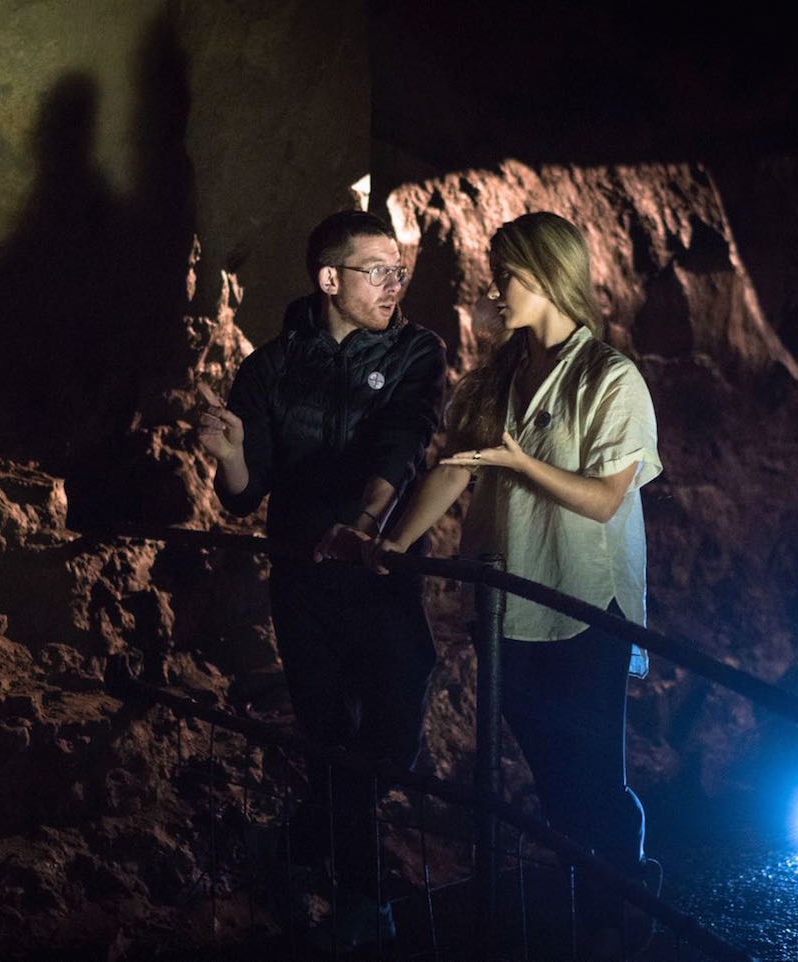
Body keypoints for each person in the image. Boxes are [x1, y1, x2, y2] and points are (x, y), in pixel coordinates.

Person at [365, 211, 661, 954]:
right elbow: (456, 467)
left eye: (511, 273)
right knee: (556, 776)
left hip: (586, 602)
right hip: (510, 603)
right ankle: (602, 909)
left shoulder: (609, 377)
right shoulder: (501, 374)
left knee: (592, 771)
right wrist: (392, 543)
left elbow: (603, 498)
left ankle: (620, 911)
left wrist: (521, 462)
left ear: (552, 276)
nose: (498, 289)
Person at [197, 209, 446, 947]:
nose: (393, 284)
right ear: (329, 278)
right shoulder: (271, 367)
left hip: (382, 569)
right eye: (377, 270)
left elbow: (404, 440)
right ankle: (365, 903)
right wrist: (233, 451)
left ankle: (303, 840)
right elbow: (245, 490)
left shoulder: (414, 352)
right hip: (305, 577)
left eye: (398, 269)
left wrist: (369, 521)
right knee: (330, 731)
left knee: (400, 711)